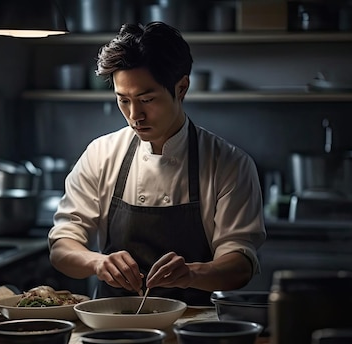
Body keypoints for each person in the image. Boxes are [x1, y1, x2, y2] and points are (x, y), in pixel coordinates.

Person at [48, 21, 266, 306]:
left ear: (182, 88)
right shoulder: (100, 155)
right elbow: (62, 247)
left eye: (147, 99)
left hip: (194, 327)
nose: (134, 115)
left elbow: (240, 263)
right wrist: (97, 262)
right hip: (112, 325)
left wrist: (192, 273)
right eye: (123, 100)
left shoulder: (228, 164)